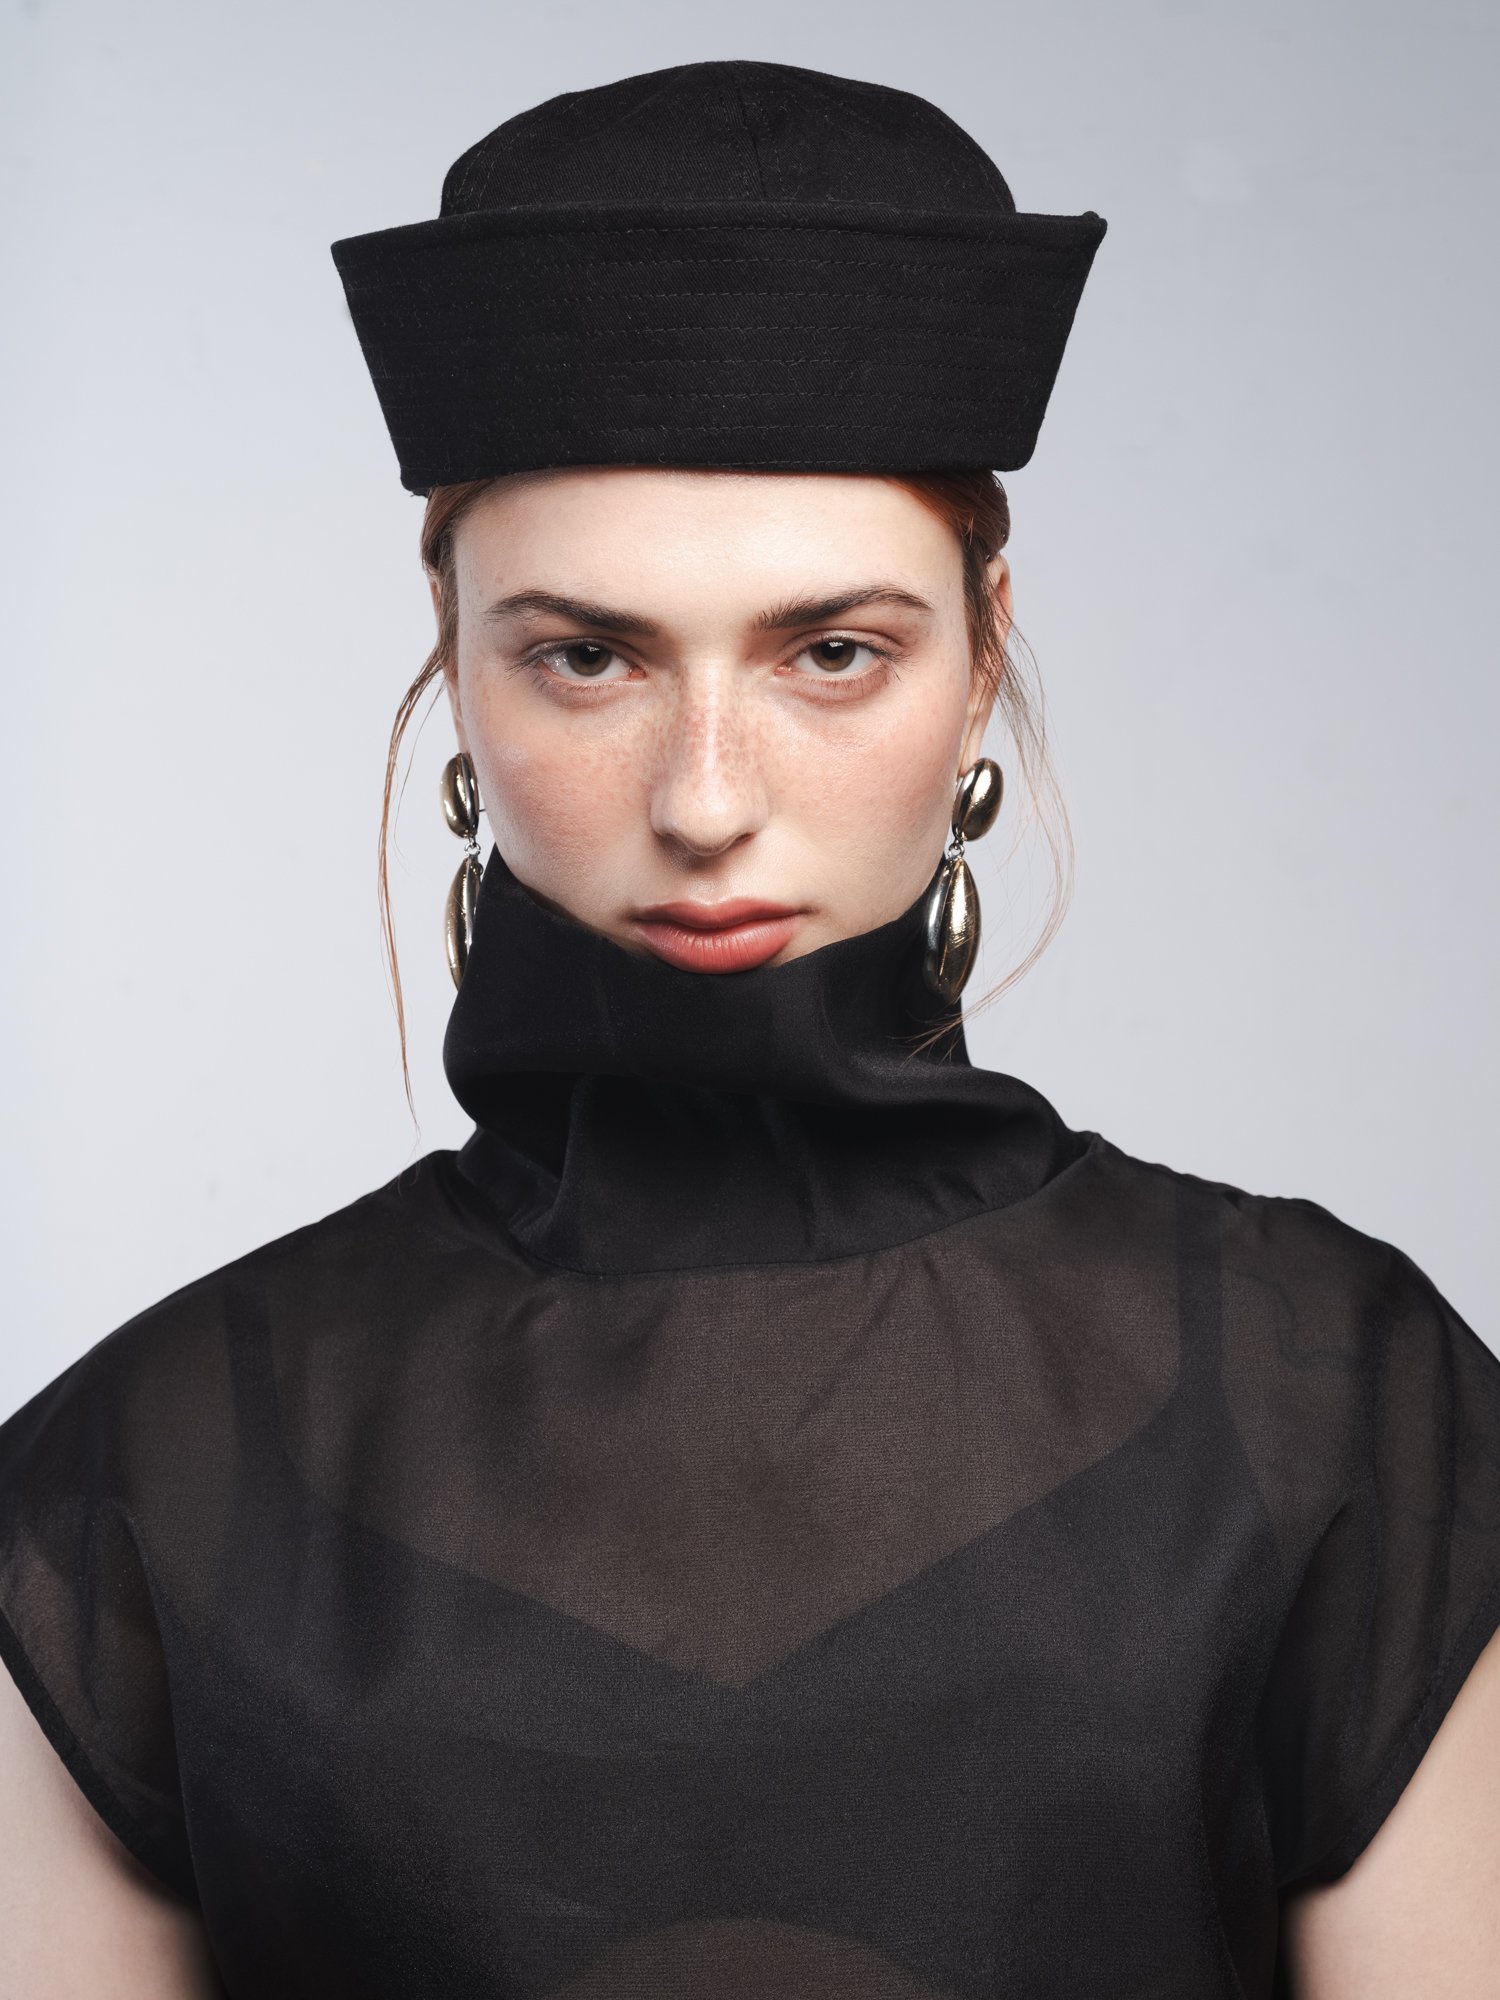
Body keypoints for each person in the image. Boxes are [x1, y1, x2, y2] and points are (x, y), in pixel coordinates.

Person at [2, 57, 1497, 2000]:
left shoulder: (1339, 1408)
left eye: (832, 652)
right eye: (588, 655)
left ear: (986, 650)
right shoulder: (143, 1477)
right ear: (451, 650)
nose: (707, 796)